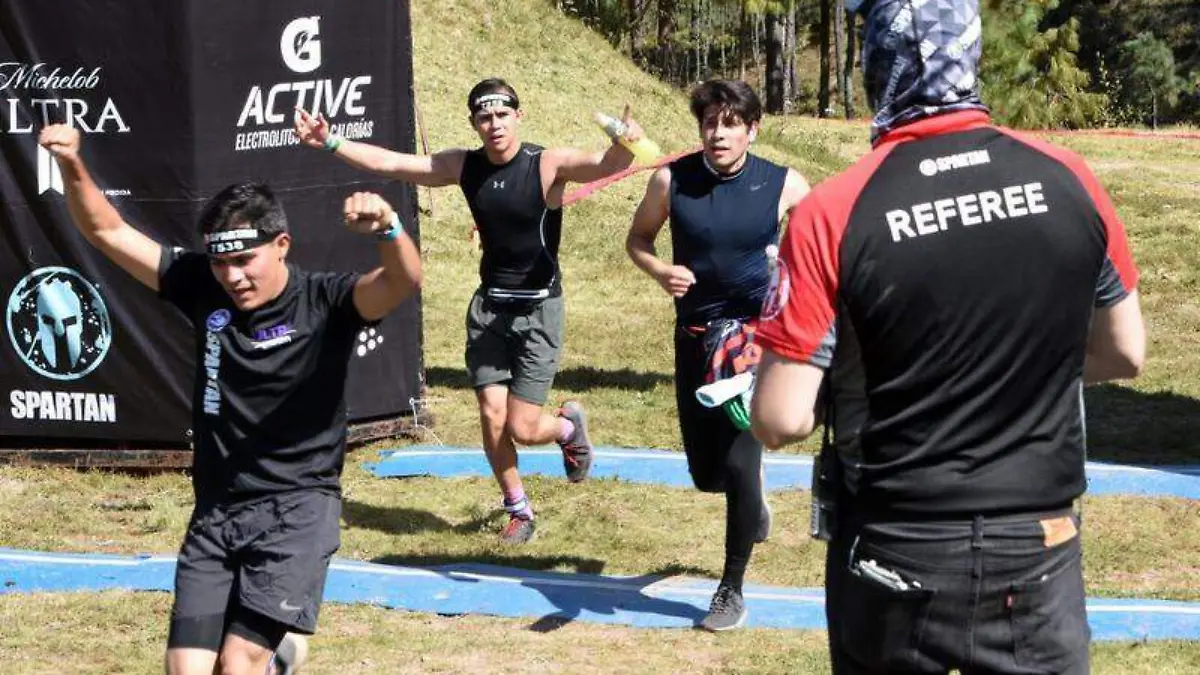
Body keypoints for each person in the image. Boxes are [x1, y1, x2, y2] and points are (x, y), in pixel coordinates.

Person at [750, 1, 1145, 673]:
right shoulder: (1068, 177)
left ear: (878, 62)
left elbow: (780, 417)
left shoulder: (833, 211)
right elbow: (1124, 350)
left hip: (897, 539)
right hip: (1038, 539)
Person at [38, 124, 422, 675]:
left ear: (282, 244)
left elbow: (401, 281)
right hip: (217, 509)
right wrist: (73, 163)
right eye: (221, 262)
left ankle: (270, 659)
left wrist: (389, 228)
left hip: (296, 508)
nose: (233, 276)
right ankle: (279, 660)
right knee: (186, 669)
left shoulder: (327, 300)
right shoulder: (203, 285)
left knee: (237, 665)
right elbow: (107, 231)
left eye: (245, 260)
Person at [294, 78, 645, 543]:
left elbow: (607, 165)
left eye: (502, 115)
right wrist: (330, 141)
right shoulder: (464, 165)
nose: (494, 124)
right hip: (489, 311)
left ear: (518, 116)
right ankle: (519, 509)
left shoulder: (546, 164)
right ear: (474, 123)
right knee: (491, 416)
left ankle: (565, 428)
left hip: (539, 311)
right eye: (485, 117)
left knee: (523, 426)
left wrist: (625, 141)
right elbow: (393, 163)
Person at [625, 79, 809, 631]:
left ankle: (731, 589)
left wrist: (790, 276)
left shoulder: (783, 183)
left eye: (731, 124)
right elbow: (638, 239)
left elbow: (820, 244)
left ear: (753, 130)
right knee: (708, 475)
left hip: (752, 344)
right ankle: (751, 495)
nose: (719, 134)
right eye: (710, 124)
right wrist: (661, 271)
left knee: (738, 462)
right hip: (695, 339)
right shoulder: (671, 180)